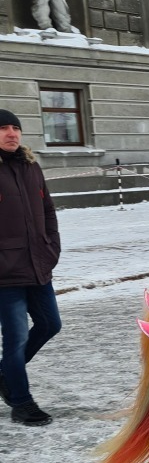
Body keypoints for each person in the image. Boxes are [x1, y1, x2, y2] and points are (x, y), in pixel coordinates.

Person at [0, 109, 62, 426]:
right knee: (17, 338)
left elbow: (48, 210)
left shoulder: (30, 166)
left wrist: (51, 246)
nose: (12, 133)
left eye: (16, 128)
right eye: (4, 128)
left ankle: (5, 374)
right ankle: (21, 403)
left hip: (39, 265)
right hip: (5, 275)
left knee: (51, 325)